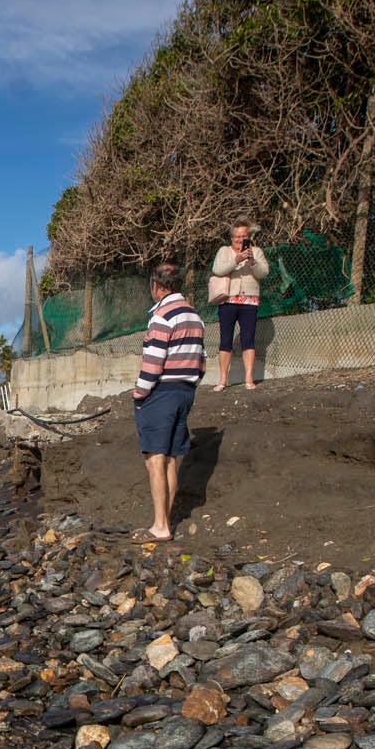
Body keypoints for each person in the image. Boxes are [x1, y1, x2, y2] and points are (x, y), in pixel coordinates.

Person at [130, 262, 204, 542]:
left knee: (155, 459)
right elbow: (202, 360)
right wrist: (189, 384)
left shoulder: (161, 316)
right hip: (185, 390)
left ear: (156, 285)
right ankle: (166, 520)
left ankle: (160, 526)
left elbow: (153, 361)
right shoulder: (194, 316)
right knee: (171, 458)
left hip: (161, 391)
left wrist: (140, 392)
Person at [210, 222, 271, 390]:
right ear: (232, 238)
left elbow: (263, 272)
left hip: (249, 301)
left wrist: (252, 261)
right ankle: (222, 380)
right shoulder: (224, 251)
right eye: (237, 237)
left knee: (248, 339)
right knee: (225, 340)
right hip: (228, 300)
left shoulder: (257, 252)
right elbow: (218, 270)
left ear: (249, 237)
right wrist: (236, 260)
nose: (240, 240)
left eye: (244, 237)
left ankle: (249, 379)